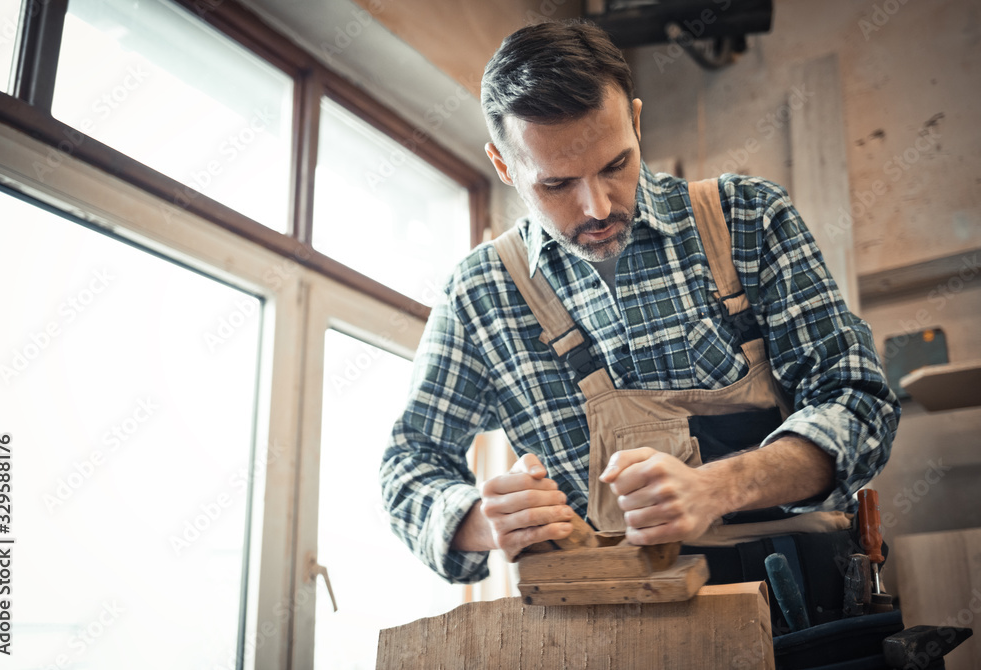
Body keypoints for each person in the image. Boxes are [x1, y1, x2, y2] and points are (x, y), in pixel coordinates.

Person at [380, 20, 899, 626]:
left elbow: (858, 401)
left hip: (806, 608)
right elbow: (406, 468)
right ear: (502, 163)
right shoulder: (480, 295)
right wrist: (480, 519)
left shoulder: (747, 218)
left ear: (635, 118)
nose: (597, 207)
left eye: (615, 164)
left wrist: (717, 488)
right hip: (612, 629)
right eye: (557, 184)